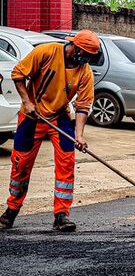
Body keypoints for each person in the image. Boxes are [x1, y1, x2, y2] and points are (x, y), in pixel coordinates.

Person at [0, 30, 100, 232]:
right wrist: (27, 101)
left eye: (90, 57)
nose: (87, 60)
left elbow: (83, 105)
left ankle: (61, 215)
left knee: (66, 163)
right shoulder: (46, 52)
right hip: (32, 116)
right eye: (86, 55)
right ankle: (11, 210)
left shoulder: (84, 71)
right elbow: (18, 74)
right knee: (21, 165)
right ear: (76, 47)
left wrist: (79, 135)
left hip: (60, 117)